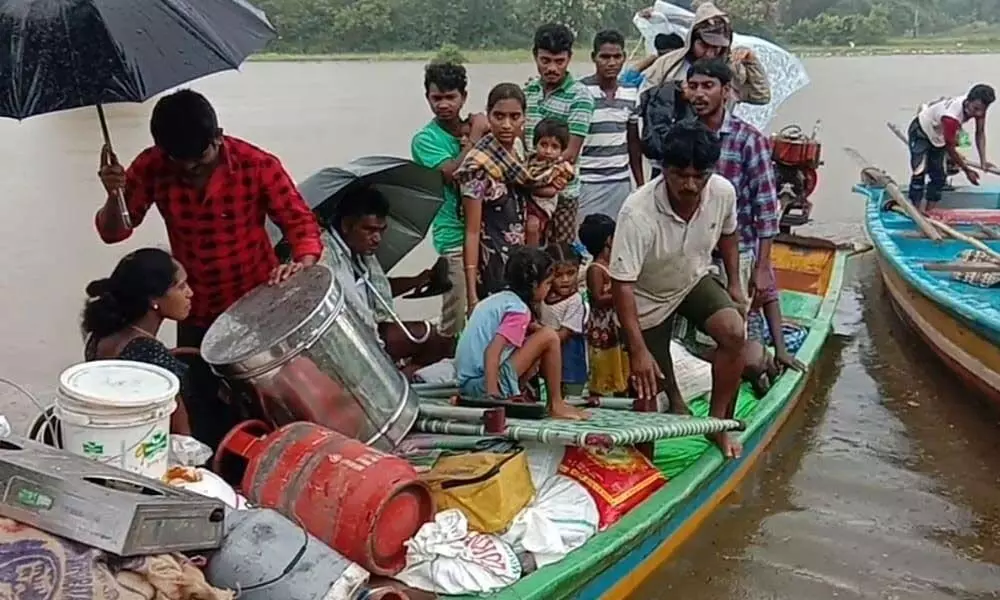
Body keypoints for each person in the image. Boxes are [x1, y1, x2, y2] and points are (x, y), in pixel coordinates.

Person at [96, 89, 323, 349]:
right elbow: (114, 233)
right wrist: (115, 196)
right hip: (195, 308)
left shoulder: (257, 165)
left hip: (259, 303)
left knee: (270, 384)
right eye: (179, 161)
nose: (190, 168)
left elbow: (301, 225)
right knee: (198, 384)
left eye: (200, 158)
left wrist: (301, 265)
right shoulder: (152, 166)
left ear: (218, 137)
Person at [610, 120, 747, 459]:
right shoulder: (637, 212)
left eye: (699, 176)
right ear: (663, 170)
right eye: (679, 175)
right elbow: (622, 285)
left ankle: (718, 425)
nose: (689, 184)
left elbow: (728, 234)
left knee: (734, 332)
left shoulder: (722, 192)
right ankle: (646, 463)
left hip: (691, 279)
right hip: (646, 298)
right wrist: (638, 350)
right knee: (646, 388)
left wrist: (734, 283)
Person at [685, 58, 803, 377]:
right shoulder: (683, 135)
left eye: (707, 86)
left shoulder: (748, 139)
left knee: (742, 349)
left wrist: (763, 266)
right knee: (693, 342)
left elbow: (766, 212)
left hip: (741, 251)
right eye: (693, 86)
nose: (699, 94)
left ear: (726, 92)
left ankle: (763, 359)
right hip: (692, 251)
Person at [456, 83, 561, 311]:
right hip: (494, 266)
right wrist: (472, 295)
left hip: (522, 261)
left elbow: (529, 187)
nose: (506, 125)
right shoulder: (477, 166)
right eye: (499, 116)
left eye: (515, 117)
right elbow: (471, 231)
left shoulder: (517, 151)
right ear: (488, 114)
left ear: (524, 117)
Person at [454, 246, 587, 420]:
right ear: (533, 285)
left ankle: (525, 394)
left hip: (467, 385)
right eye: (547, 283)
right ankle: (556, 403)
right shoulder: (518, 310)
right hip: (481, 386)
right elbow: (492, 352)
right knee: (550, 336)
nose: (549, 289)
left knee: (541, 336)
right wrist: (493, 399)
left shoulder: (500, 299)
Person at [329, 186, 455, 371]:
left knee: (441, 340)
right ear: (347, 225)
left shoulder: (361, 254)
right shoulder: (327, 256)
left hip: (371, 328)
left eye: (381, 230)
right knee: (432, 337)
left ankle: (403, 381)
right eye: (369, 230)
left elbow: (375, 290)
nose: (377, 239)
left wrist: (417, 280)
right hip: (345, 338)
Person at [411, 61, 490, 337]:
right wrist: (476, 137)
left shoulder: (476, 126)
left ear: (463, 97)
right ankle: (445, 357)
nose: (443, 104)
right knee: (456, 306)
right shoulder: (425, 139)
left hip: (486, 230)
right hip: (452, 233)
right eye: (437, 98)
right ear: (428, 98)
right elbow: (455, 174)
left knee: (487, 301)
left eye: (450, 97)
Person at [81, 249, 195, 436]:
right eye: (181, 287)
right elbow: (181, 434)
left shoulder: (99, 335)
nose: (190, 293)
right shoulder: (151, 355)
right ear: (154, 299)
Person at [524, 23, 596, 243]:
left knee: (560, 258)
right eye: (545, 61)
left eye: (559, 61)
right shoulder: (528, 91)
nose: (552, 68)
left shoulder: (580, 96)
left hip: (560, 191)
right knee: (530, 257)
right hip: (527, 189)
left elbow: (570, 154)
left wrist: (528, 177)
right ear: (535, 56)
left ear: (569, 59)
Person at [640, 2, 770, 104]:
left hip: (716, 135)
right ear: (692, 40)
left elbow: (761, 96)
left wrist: (751, 63)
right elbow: (645, 96)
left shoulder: (730, 69)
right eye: (704, 45)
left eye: (716, 47)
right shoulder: (668, 64)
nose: (709, 53)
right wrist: (677, 92)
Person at [577, 30, 645, 226]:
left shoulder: (631, 92)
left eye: (617, 57)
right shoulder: (580, 92)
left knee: (617, 240)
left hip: (620, 182)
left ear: (624, 57)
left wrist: (640, 184)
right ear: (594, 58)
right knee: (585, 241)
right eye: (605, 57)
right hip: (587, 181)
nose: (611, 62)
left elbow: (633, 141)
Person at [909, 84, 996, 211]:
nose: (978, 113)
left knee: (939, 177)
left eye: (982, 110)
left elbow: (980, 132)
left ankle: (929, 212)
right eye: (975, 109)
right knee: (919, 172)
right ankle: (915, 212)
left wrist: (983, 161)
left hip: (939, 135)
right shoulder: (951, 117)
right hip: (921, 131)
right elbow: (950, 148)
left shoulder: (979, 107)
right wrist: (967, 171)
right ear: (968, 101)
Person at [579, 214, 630, 397]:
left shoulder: (613, 264)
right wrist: (621, 292)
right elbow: (599, 297)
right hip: (603, 328)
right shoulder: (596, 269)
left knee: (620, 361)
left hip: (616, 324)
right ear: (608, 240)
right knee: (604, 364)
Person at [539, 243, 588, 396]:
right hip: (546, 359)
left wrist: (537, 339)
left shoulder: (574, 301)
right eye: (558, 275)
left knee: (571, 400)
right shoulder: (542, 296)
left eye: (571, 273)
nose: (565, 280)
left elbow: (563, 334)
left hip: (569, 365)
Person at [525, 119, 575, 246]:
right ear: (535, 144)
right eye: (543, 144)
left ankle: (531, 257)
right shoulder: (529, 162)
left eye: (554, 147)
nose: (548, 151)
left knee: (532, 226)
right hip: (524, 203)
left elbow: (551, 192)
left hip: (541, 206)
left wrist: (525, 187)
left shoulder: (560, 168)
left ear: (562, 150)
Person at [620, 33, 686, 88]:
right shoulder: (652, 77)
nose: (665, 59)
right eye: (662, 55)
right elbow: (624, 82)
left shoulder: (687, 75)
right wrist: (649, 60)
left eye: (670, 56)